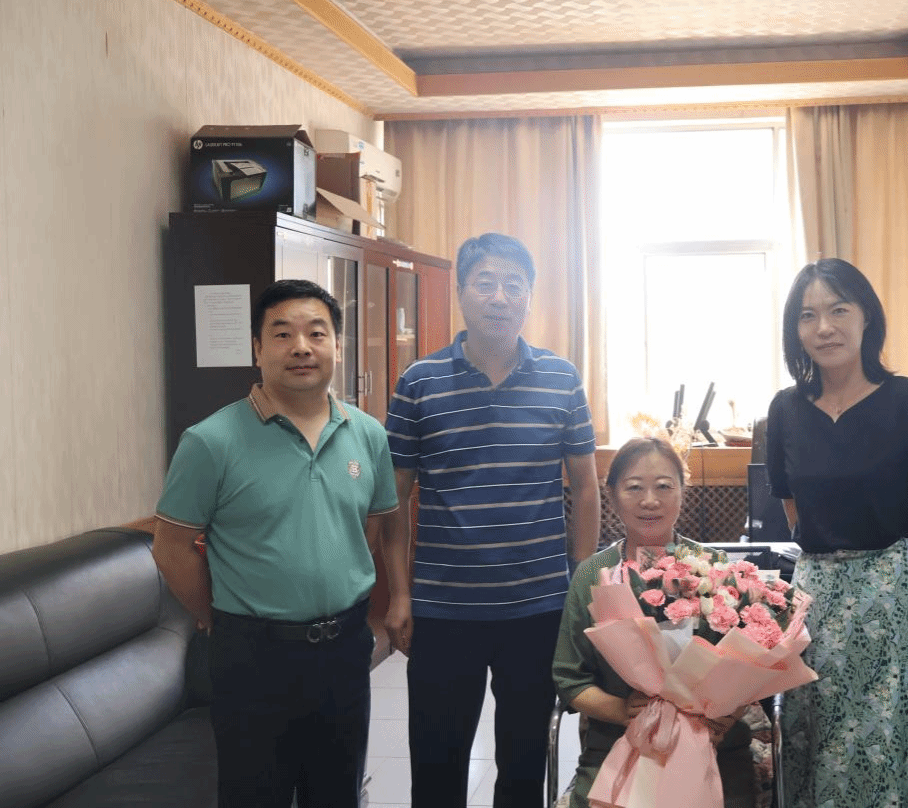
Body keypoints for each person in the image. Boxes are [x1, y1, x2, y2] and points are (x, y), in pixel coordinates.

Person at [152, 279, 407, 808]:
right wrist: (218, 615)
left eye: (317, 333)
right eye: (283, 334)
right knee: (254, 795)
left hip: (343, 649)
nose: (301, 347)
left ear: (337, 346)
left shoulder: (368, 435)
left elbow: (372, 527)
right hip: (252, 657)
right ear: (257, 349)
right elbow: (170, 547)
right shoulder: (211, 441)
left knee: (337, 792)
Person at [385, 232, 601, 808]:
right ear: (461, 292)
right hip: (442, 609)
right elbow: (393, 499)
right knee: (437, 764)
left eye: (513, 285)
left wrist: (579, 584)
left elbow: (585, 487)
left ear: (529, 297)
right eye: (485, 283)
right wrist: (400, 594)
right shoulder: (419, 382)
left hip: (537, 609)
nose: (500, 297)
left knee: (525, 764)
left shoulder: (561, 378)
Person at [767, 258, 908, 808]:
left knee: (894, 749)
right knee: (818, 745)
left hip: (894, 601)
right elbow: (792, 505)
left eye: (838, 310)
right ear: (795, 329)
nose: (824, 327)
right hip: (816, 605)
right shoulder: (785, 409)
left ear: (866, 317)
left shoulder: (906, 399)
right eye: (808, 316)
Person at [552, 436, 752, 808]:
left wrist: (729, 713)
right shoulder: (593, 574)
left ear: (682, 493)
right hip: (620, 745)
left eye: (663, 486)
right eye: (634, 487)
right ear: (612, 496)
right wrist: (621, 710)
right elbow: (569, 678)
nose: (649, 500)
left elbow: (751, 666)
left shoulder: (717, 568)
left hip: (714, 746)